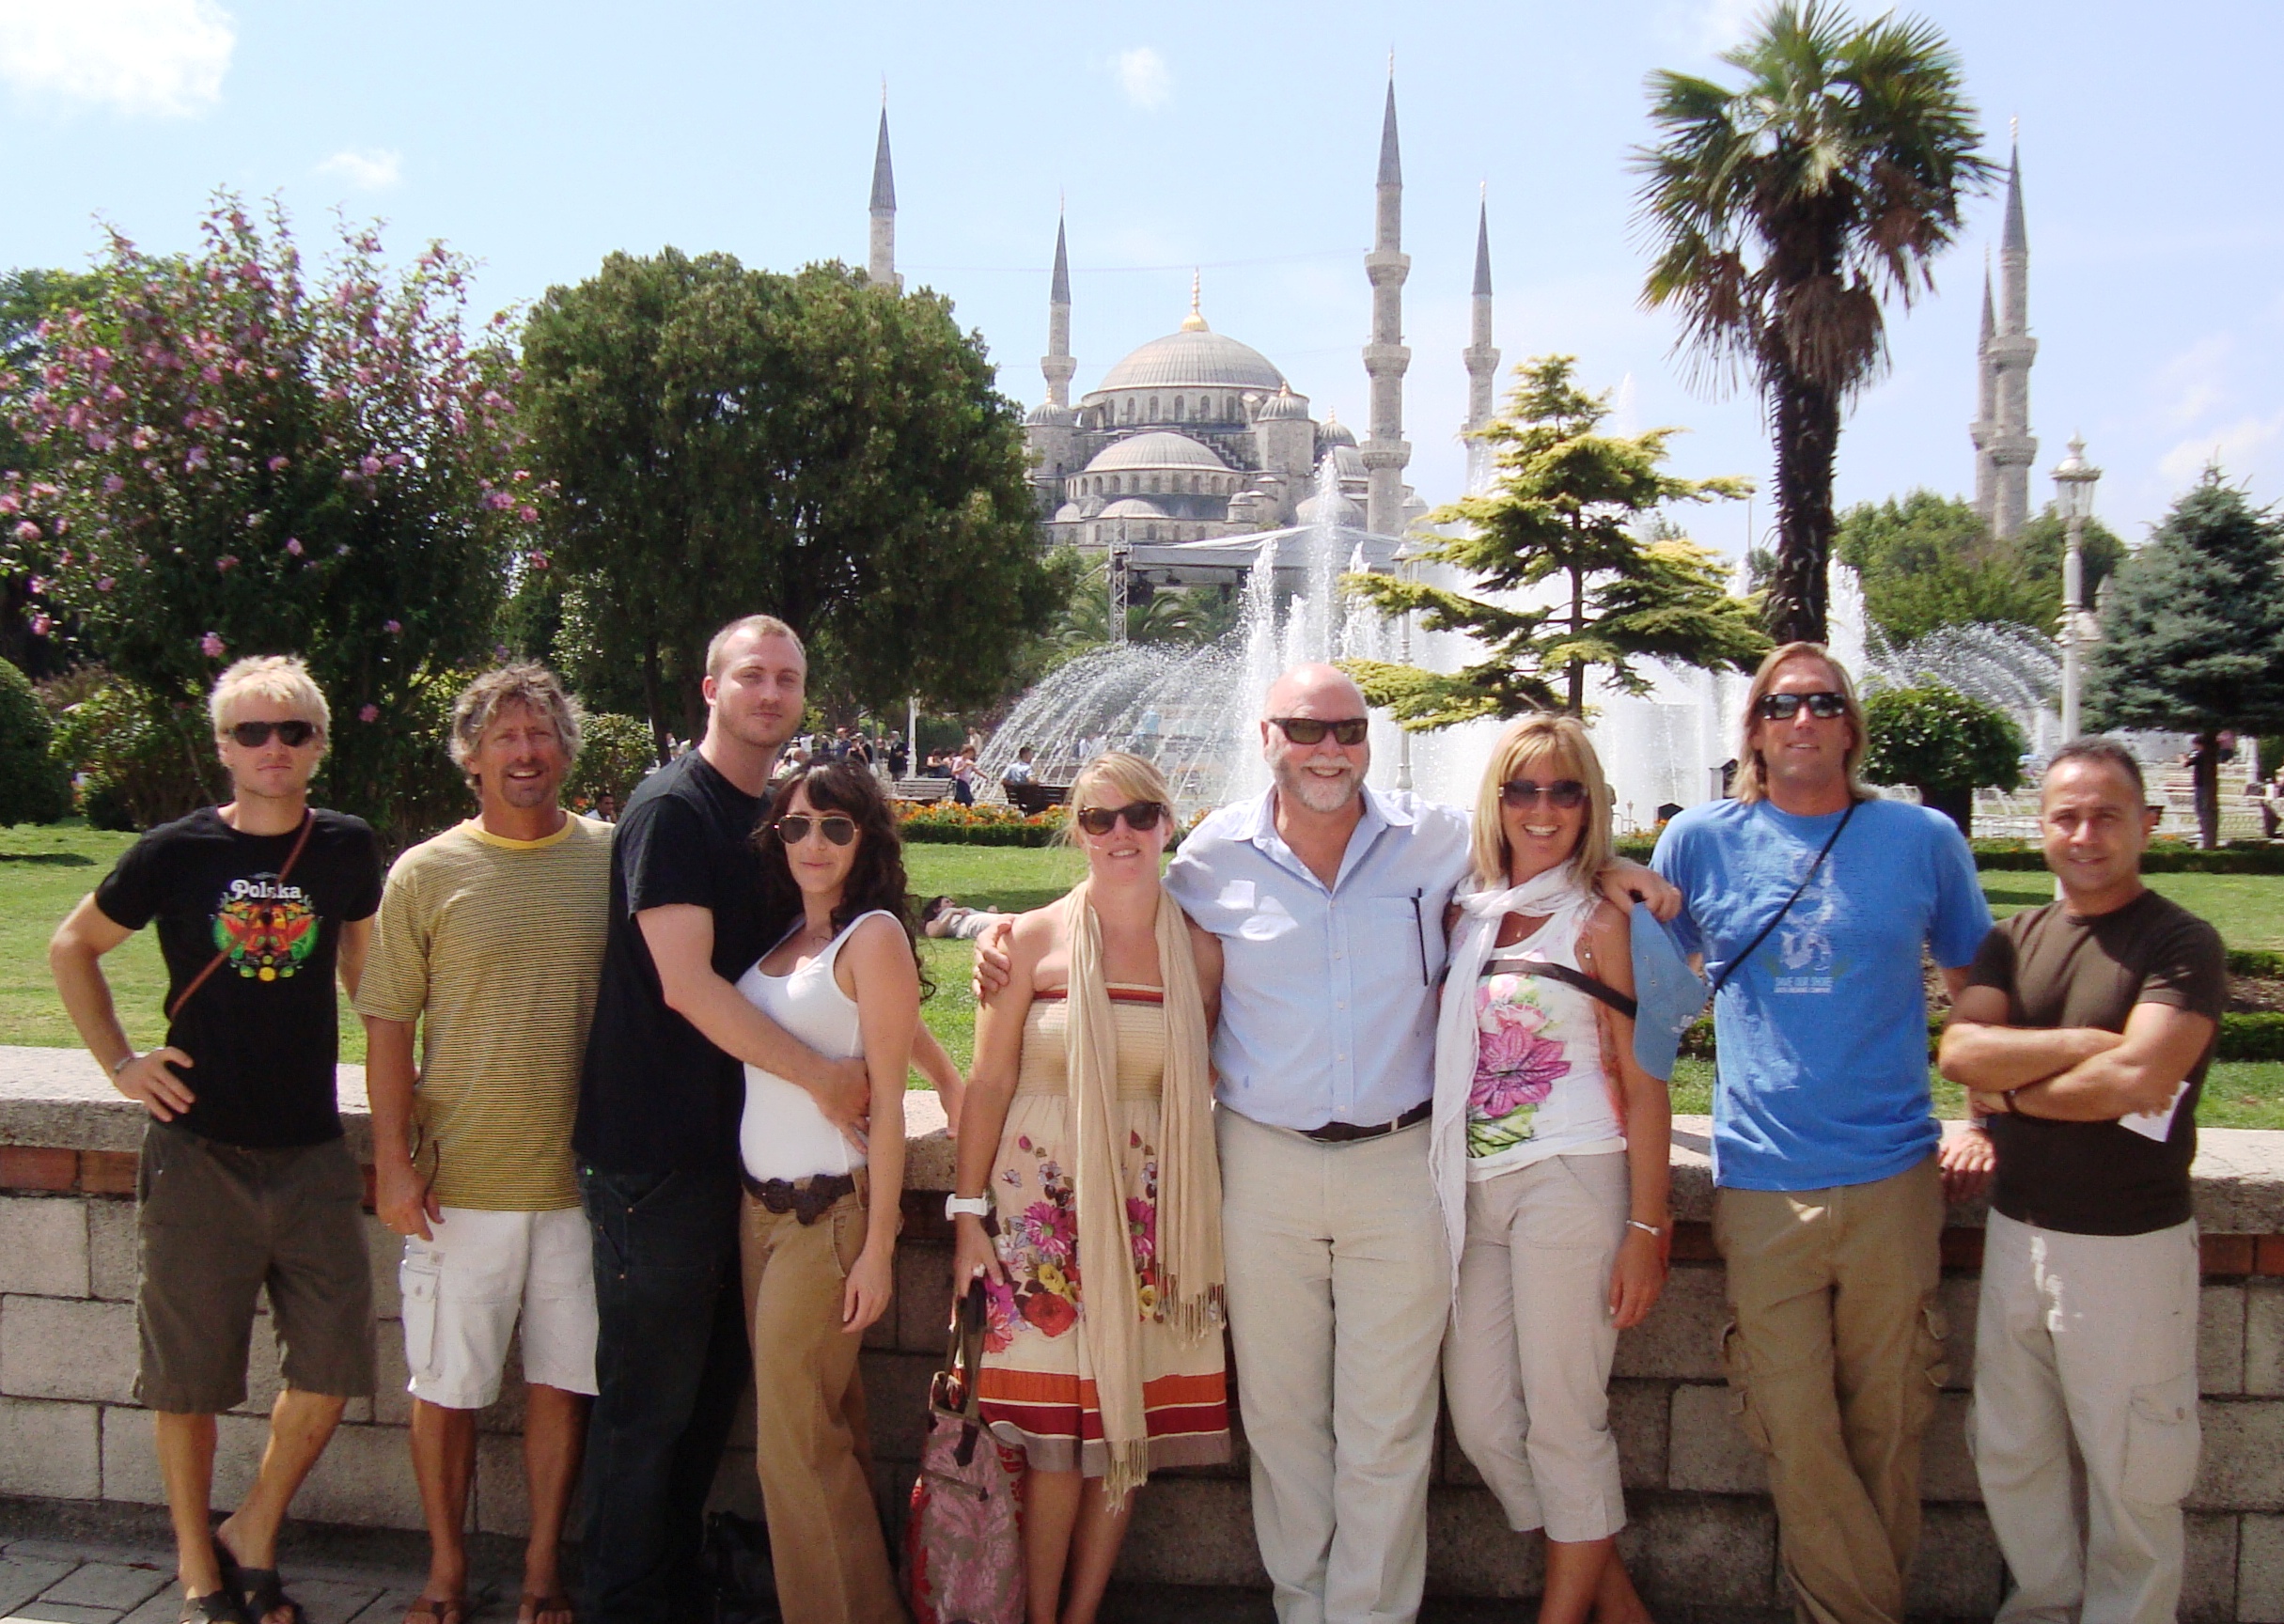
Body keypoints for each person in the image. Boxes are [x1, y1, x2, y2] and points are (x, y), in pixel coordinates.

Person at [973, 666, 1673, 1624]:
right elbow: (1119, 890)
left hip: (1401, 1162)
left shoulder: (1435, 842)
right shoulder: (1214, 855)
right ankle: (1305, 1608)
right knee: (1282, 1419)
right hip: (1263, 1163)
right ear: (1267, 736)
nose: (1328, 748)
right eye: (1305, 728)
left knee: (1390, 1425)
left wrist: (1618, 871)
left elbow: (1538, 859)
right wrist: (1004, 933)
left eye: (1347, 728)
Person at [1650, 643, 1995, 1624]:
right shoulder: (1700, 841)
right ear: (1754, 730)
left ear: (1851, 726)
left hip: (1894, 1176)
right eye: (1781, 704)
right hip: (1763, 1180)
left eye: (1823, 702)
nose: (1802, 719)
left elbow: (1979, 991)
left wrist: (1980, 1115)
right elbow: (1652, 1002)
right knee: (1791, 1424)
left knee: (1891, 1422)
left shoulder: (1921, 839)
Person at [49, 655, 383, 1624]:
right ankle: (200, 1565)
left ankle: (255, 1527)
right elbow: (72, 947)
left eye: (293, 731)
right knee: (189, 1378)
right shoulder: (175, 851)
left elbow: (366, 978)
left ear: (319, 745)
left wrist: (408, 1076)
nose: (273, 748)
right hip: (197, 1151)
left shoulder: (347, 847)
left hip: (313, 1150)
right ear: (223, 747)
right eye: (251, 732)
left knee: (332, 1370)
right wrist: (121, 1064)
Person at [573, 615, 871, 1624]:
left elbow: (841, 939)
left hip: (731, 1159)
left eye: (788, 677)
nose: (771, 693)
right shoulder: (673, 809)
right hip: (654, 1158)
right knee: (649, 1408)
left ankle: (668, 1588)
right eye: (752, 675)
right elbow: (686, 985)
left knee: (703, 1402)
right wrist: (825, 1080)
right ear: (712, 689)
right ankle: (623, 1602)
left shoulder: (775, 816)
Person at [1939, 739, 2225, 1624]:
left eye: (2107, 815)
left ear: (2147, 824)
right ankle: (2041, 1609)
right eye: (2067, 816)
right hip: (2018, 1233)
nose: (2086, 834)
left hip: (2129, 1247)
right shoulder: (2011, 939)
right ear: (2042, 828)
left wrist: (2011, 1094)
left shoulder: (2180, 941)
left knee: (2133, 1466)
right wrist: (2080, 1048)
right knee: (2011, 1450)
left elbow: (2138, 1079)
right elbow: (1961, 1051)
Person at [355, 666, 614, 1624]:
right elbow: (388, 1025)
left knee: (564, 1386)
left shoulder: (611, 858)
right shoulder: (424, 873)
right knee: (446, 1390)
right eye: (504, 736)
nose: (525, 752)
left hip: (583, 1185)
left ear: (565, 749)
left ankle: (543, 1572)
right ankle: (446, 1574)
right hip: (456, 1186)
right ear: (471, 756)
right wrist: (391, 1164)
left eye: (540, 733)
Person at [951, 753, 1228, 1624]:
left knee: (1119, 1433)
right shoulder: (1028, 942)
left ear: (1167, 824)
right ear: (1076, 831)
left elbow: (1211, 1078)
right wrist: (965, 1215)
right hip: (1037, 1218)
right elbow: (988, 1082)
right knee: (1052, 1444)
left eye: (1140, 815)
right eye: (1100, 818)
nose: (1121, 834)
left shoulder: (1201, 954)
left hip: (1150, 1221)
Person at [1434, 714, 1666, 1624]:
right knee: (1485, 1421)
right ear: (1495, 801)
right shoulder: (1468, 911)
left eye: (1565, 790)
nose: (1543, 808)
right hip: (1472, 1192)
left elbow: (1646, 1087)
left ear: (1590, 803)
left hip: (1571, 1181)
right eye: (1522, 789)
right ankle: (1619, 1602)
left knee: (1567, 1423)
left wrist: (1646, 1228)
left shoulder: (1602, 921)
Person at [735, 760, 917, 1624]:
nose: (814, 842)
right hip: (758, 1215)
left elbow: (890, 1103)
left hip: (827, 1217)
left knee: (793, 1449)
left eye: (836, 827)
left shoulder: (871, 936)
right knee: (823, 1431)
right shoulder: (788, 937)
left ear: (864, 840)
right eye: (797, 825)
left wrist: (879, 1248)